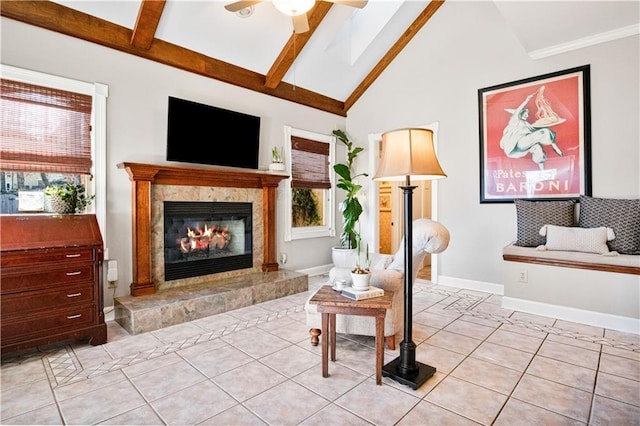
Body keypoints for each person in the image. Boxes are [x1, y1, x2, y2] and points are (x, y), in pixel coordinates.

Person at [499, 90, 563, 170]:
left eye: (527, 114)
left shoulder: (526, 124)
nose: (527, 115)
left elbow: (533, 130)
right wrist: (526, 100)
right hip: (520, 143)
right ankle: (556, 148)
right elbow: (517, 112)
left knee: (537, 147)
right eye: (525, 114)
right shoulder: (515, 121)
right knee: (544, 131)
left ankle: (542, 170)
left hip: (525, 143)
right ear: (520, 114)